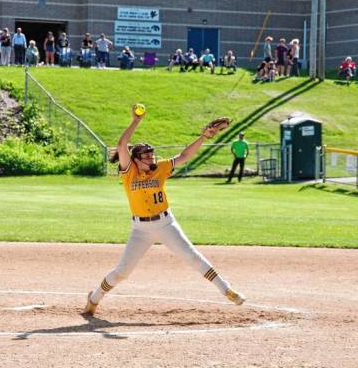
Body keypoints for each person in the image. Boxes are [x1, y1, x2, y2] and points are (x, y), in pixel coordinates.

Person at [83, 107, 246, 315]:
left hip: (165, 223)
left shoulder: (160, 168)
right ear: (135, 159)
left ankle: (227, 289)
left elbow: (185, 155)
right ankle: (94, 298)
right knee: (123, 271)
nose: (152, 159)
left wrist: (204, 137)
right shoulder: (129, 172)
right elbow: (122, 145)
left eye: (152, 156)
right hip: (140, 229)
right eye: (147, 157)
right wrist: (136, 121)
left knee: (192, 256)